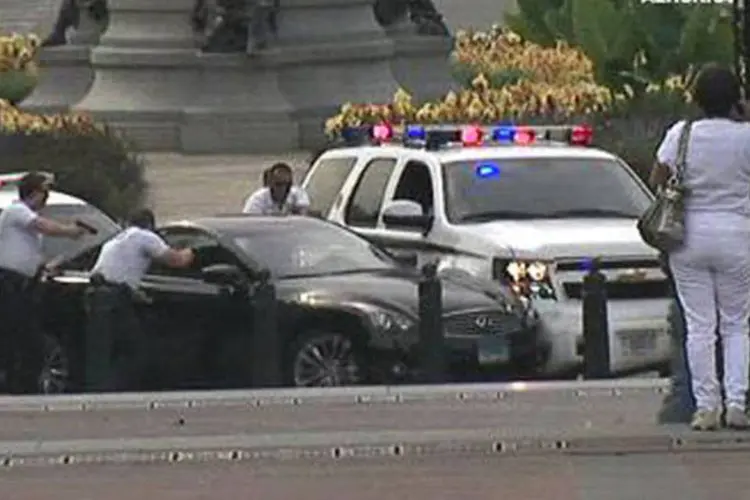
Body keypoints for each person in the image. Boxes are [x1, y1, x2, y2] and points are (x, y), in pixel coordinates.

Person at [650, 63, 750, 430]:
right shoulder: (746, 137)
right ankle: (737, 402)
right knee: (738, 324)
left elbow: (658, 177)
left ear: (696, 99)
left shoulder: (682, 134)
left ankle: (706, 406)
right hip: (738, 235)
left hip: (688, 236)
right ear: (736, 98)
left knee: (699, 325)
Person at [83, 208, 195, 392]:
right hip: (116, 299)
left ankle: (103, 389)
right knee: (133, 350)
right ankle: (118, 391)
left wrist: (135, 293)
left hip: (98, 296)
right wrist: (192, 250)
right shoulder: (145, 237)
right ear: (150, 225)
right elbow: (177, 261)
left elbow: (117, 271)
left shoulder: (116, 240)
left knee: (106, 349)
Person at [0, 172, 87, 393]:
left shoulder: (22, 217)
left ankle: (20, 386)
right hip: (9, 284)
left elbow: (26, 251)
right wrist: (70, 231)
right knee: (17, 335)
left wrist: (47, 265)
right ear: (34, 192)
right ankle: (16, 386)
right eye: (43, 192)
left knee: (23, 337)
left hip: (24, 286)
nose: (46, 198)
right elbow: (44, 226)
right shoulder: (16, 210)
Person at [242, 162, 310, 215]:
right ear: (270, 183)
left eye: (287, 184)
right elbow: (250, 221)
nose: (283, 188)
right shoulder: (257, 199)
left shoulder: (298, 194)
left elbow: (304, 215)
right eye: (278, 184)